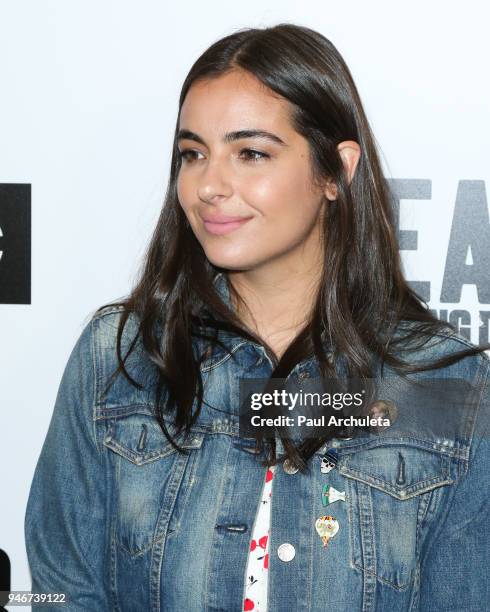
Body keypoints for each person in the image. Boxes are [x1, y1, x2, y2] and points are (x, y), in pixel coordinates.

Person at [24, 23, 490, 612]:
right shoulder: (121, 359)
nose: (210, 185)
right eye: (193, 154)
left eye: (251, 153)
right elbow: (60, 595)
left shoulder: (447, 385)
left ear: (336, 172)